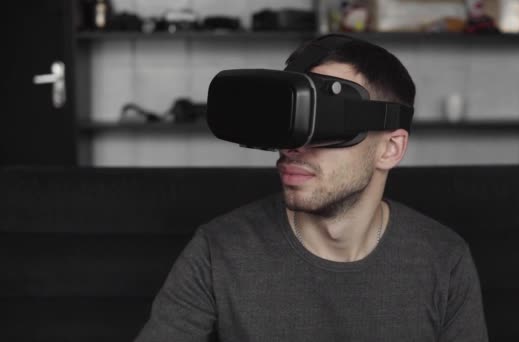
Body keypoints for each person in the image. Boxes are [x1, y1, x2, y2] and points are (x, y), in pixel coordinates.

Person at [135, 34, 488, 342]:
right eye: (293, 121)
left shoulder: (444, 260)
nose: (294, 147)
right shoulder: (218, 250)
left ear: (389, 148)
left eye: (327, 125)